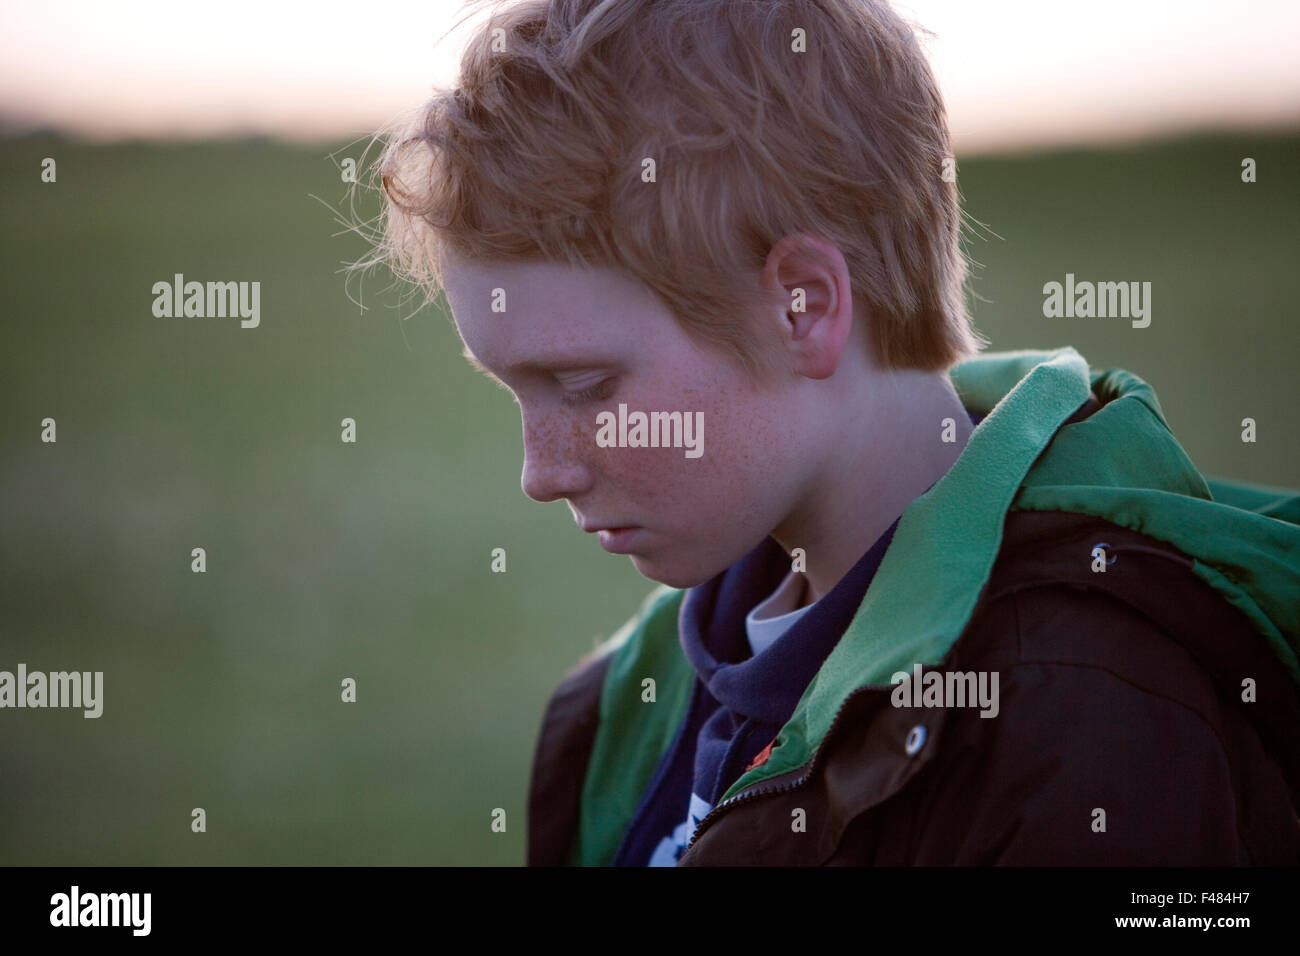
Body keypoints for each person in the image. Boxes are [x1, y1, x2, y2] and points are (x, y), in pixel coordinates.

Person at [366, 0, 1300, 864]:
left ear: (804, 306)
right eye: (512, 389)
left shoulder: (1086, 720)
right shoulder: (632, 712)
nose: (539, 471)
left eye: (584, 384)